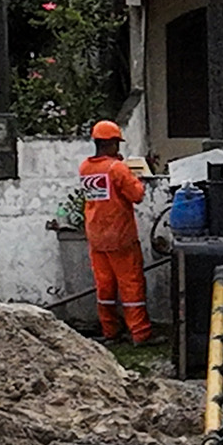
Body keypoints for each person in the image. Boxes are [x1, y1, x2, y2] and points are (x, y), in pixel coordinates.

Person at [76, 120, 153, 344]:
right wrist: (135, 175)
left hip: (96, 237)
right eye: (117, 144)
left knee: (105, 287)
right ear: (110, 144)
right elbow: (136, 195)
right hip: (120, 237)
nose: (118, 148)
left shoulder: (85, 168)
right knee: (131, 286)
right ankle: (140, 333)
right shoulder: (117, 168)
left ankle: (110, 331)